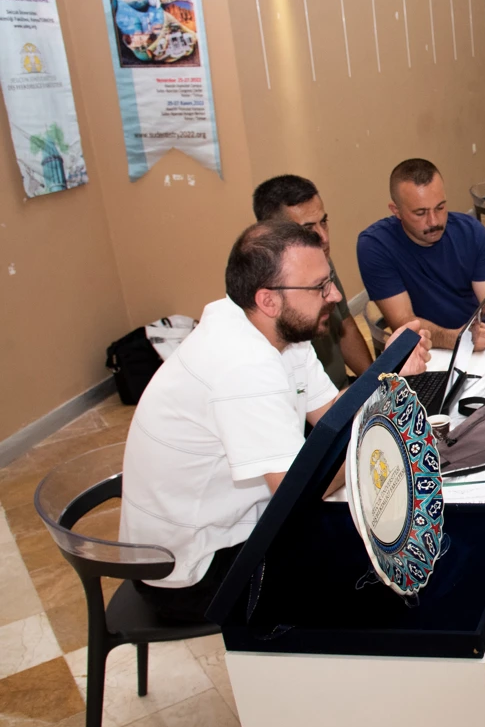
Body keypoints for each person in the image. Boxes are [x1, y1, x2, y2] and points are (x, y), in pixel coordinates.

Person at [120, 221, 432, 622]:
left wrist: (385, 377)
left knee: (388, 533)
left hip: (232, 529)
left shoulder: (272, 327)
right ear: (268, 299)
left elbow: (332, 417)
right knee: (381, 582)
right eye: (320, 287)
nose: (335, 296)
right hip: (194, 570)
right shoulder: (243, 366)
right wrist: (386, 387)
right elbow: (299, 494)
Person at [357, 158, 485, 351]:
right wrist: (461, 340)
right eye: (420, 213)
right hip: (424, 352)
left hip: (474, 341)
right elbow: (404, 323)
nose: (434, 221)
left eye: (440, 207)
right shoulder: (376, 246)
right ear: (397, 211)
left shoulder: (471, 232)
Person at [253, 175, 372, 389]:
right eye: (308, 229)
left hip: (343, 392)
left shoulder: (319, 260)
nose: (324, 238)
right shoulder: (265, 296)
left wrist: (376, 385)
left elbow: (343, 323)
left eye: (323, 222)